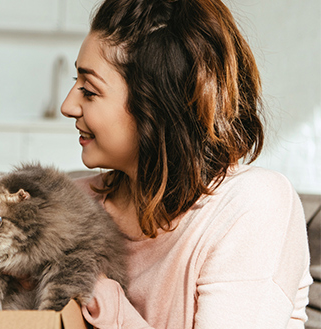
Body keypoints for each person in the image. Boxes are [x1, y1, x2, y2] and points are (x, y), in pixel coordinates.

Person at [60, 0, 312, 327]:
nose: (68, 106)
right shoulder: (72, 205)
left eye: (90, 91)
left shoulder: (251, 206)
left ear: (156, 104)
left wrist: (104, 299)